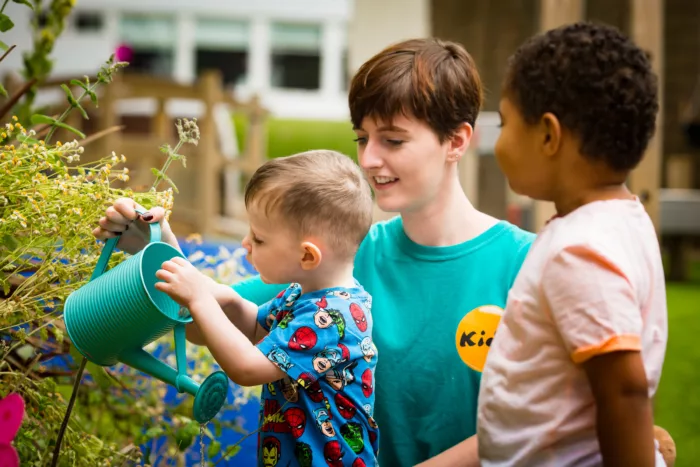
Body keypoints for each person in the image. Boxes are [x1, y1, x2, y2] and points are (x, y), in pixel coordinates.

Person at [93, 39, 534, 466]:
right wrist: (153, 247)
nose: (369, 159)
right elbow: (214, 318)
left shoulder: (526, 266)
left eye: (393, 141)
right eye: (363, 138)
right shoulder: (342, 255)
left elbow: (535, 421)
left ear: (457, 141)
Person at [477, 22, 669, 466]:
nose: (499, 140)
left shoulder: (580, 250)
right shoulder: (621, 222)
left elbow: (624, 391)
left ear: (548, 135)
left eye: (506, 122)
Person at [153, 150, 380, 466]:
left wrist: (200, 298)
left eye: (259, 239)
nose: (245, 243)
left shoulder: (330, 316)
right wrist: (166, 249)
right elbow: (255, 330)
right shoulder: (303, 295)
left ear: (307, 256)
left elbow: (247, 367)